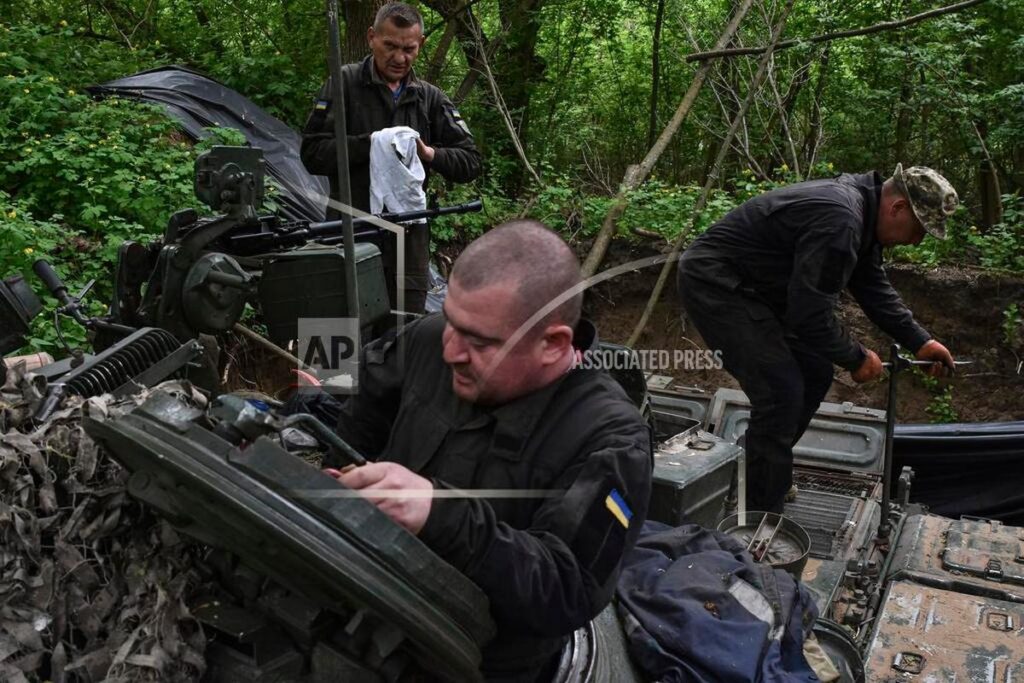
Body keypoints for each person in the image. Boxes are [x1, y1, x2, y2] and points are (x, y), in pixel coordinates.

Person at [328, 220, 653, 681]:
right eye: (451, 322)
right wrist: (339, 472)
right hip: (359, 597)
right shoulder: (429, 340)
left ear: (553, 343)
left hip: (473, 662)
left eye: (479, 342)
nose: (451, 351)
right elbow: (361, 412)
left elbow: (567, 590)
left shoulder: (610, 439)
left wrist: (440, 514)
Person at [677, 164, 958, 513]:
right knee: (781, 391)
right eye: (919, 230)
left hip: (757, 289)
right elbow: (808, 313)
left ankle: (759, 473)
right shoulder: (840, 220)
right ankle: (760, 511)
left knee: (814, 371)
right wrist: (856, 357)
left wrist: (920, 341)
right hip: (716, 284)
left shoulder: (862, 215)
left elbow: (872, 287)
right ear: (898, 208)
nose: (916, 241)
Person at [300, 1, 482, 314]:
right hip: (346, 236)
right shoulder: (342, 84)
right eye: (390, 46)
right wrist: (372, 145)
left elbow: (470, 162)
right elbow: (312, 153)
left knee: (400, 347)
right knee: (332, 345)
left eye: (409, 49)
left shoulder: (430, 98)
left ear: (421, 44)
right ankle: (330, 366)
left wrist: (428, 153)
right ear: (372, 37)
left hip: (407, 249)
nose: (399, 58)